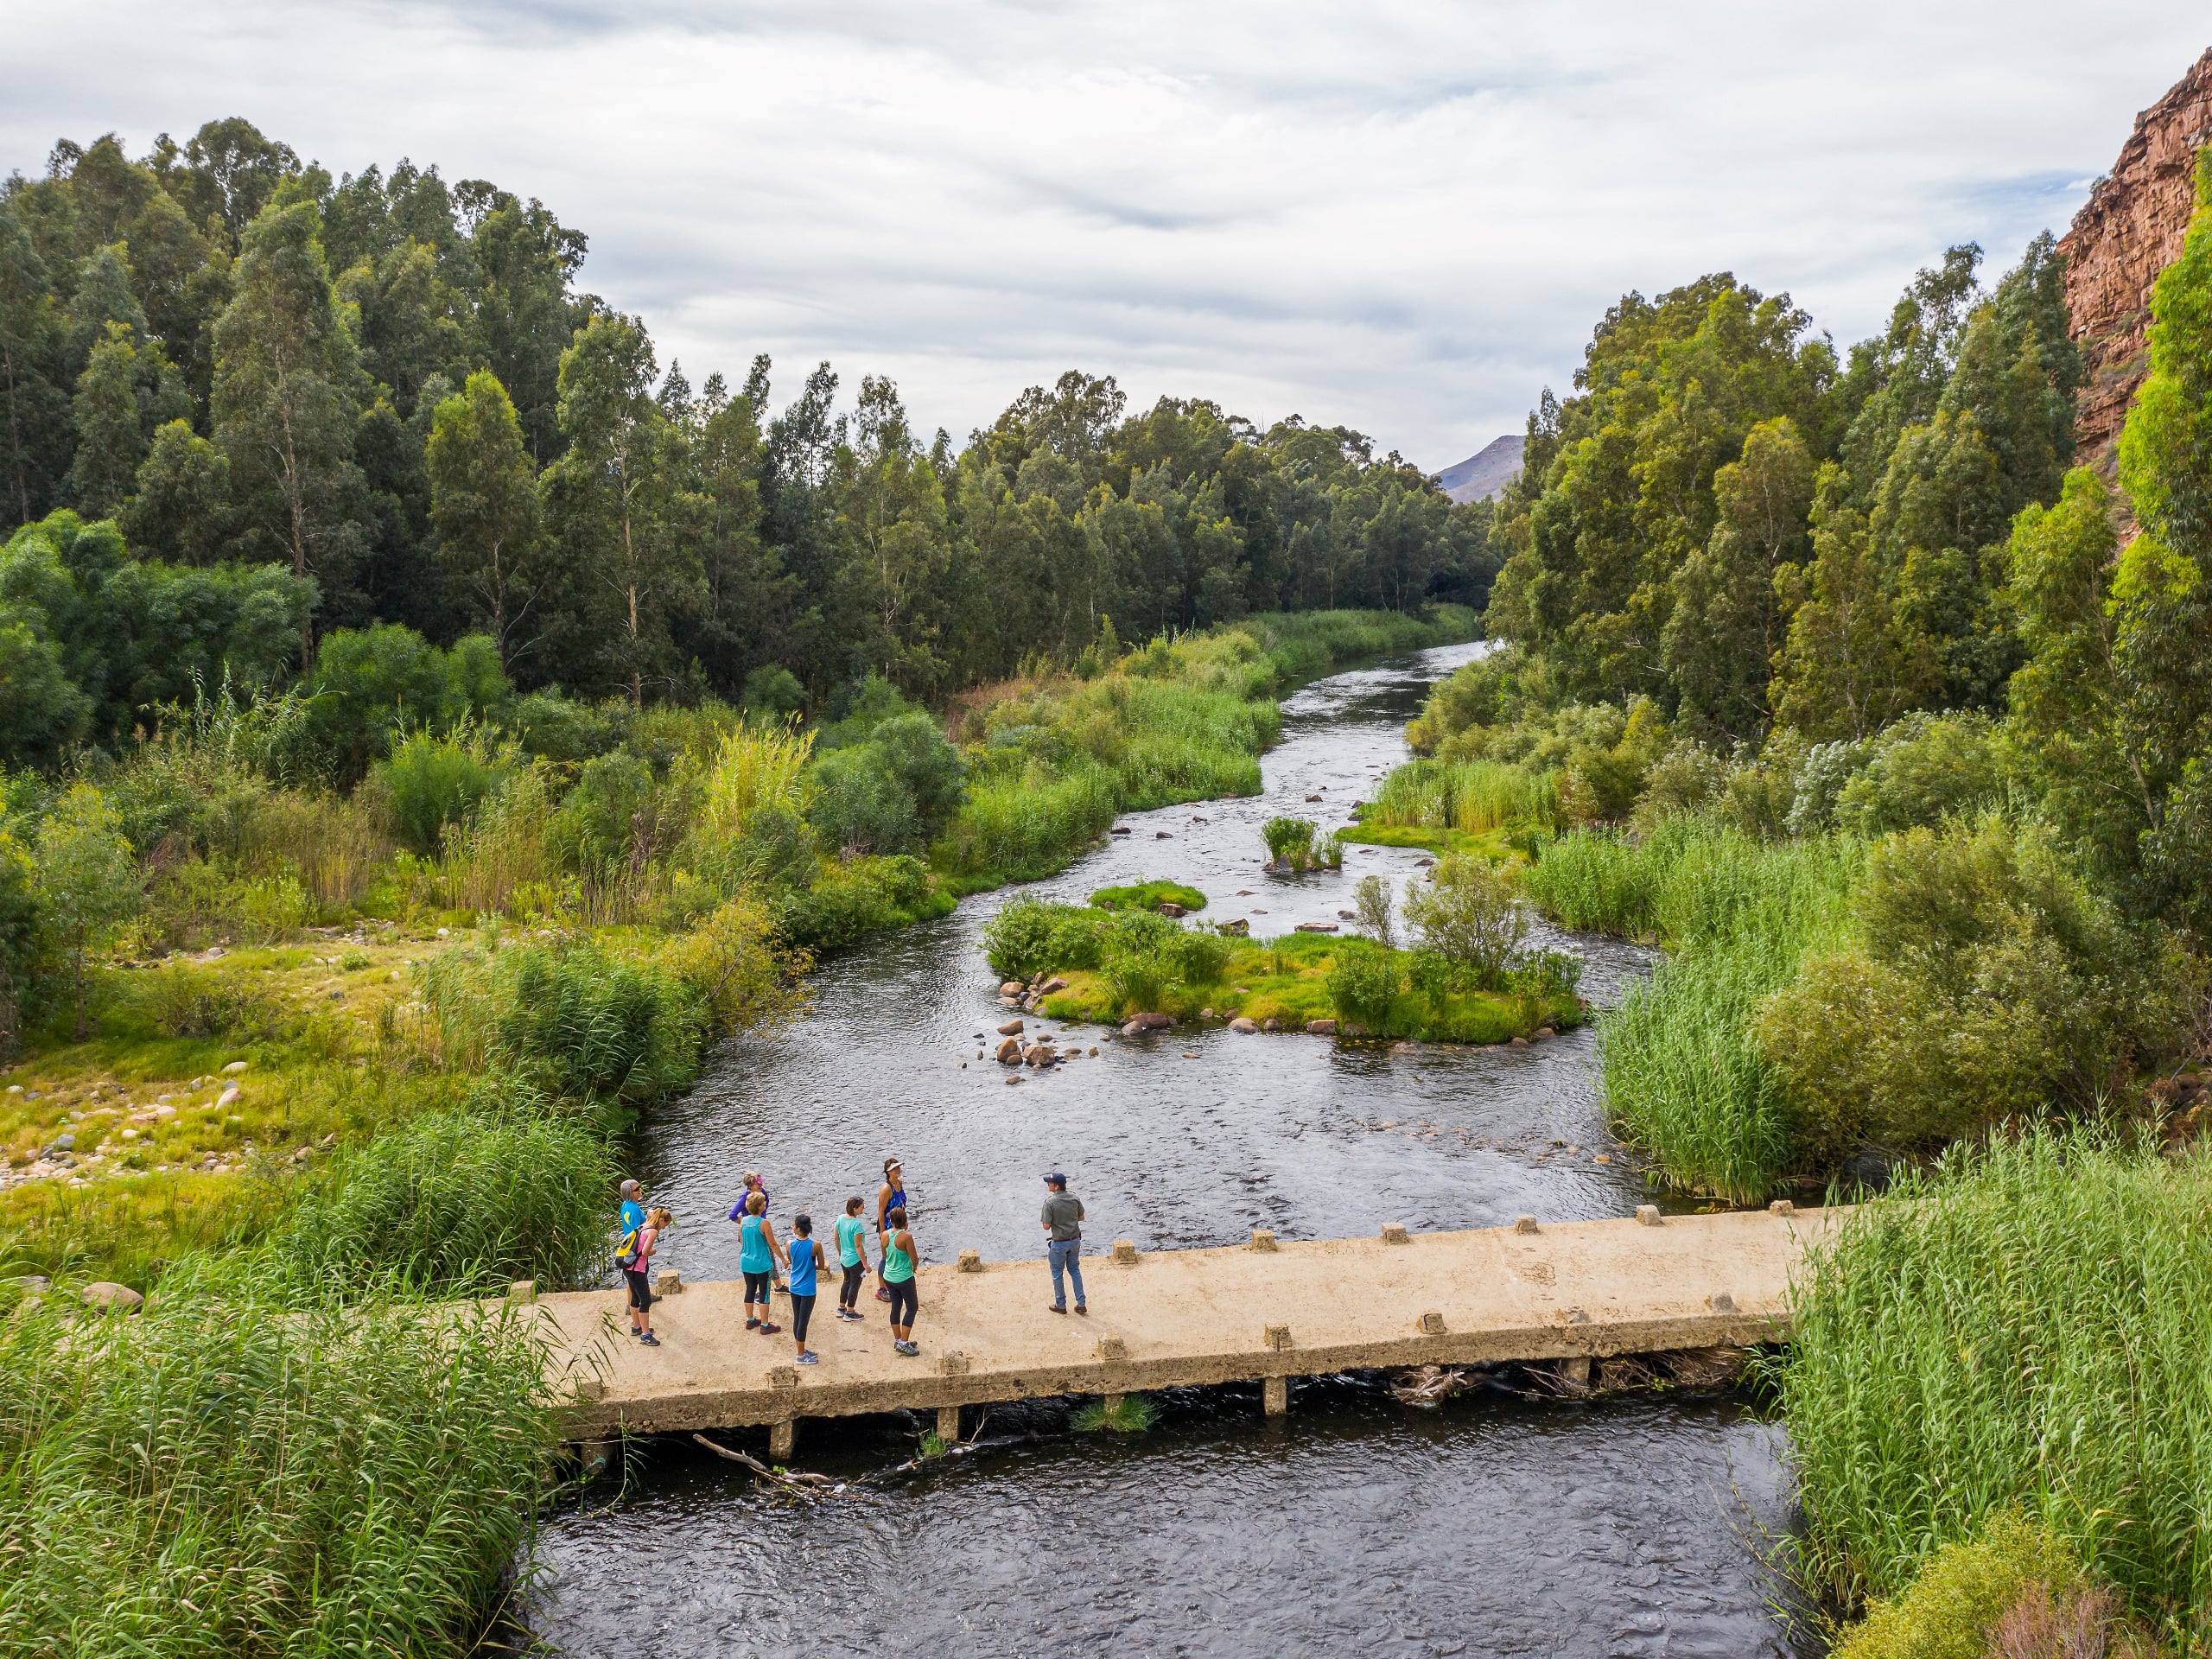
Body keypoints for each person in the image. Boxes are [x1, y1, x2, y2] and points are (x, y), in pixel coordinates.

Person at [734, 1190, 787, 1334]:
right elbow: (773, 1245)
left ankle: (750, 1320)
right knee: (764, 1293)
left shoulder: (743, 1221)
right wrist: (783, 1259)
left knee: (750, 1290)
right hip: (762, 1264)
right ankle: (765, 1325)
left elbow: (741, 1240)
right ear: (759, 1206)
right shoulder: (764, 1223)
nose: (765, 1203)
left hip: (746, 1261)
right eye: (763, 1202)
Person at [1040, 1172, 1087, 1315]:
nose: (1048, 1184)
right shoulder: (1074, 1198)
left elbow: (1046, 1226)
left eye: (1049, 1183)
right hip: (1075, 1240)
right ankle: (1081, 1303)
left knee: (1057, 1273)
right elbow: (1082, 1217)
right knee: (1074, 1270)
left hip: (1059, 1243)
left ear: (1056, 1186)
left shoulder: (1049, 1202)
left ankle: (1061, 1305)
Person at [624, 1206, 672, 1346]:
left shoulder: (644, 1225)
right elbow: (645, 1252)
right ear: (661, 1220)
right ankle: (645, 1335)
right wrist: (652, 1252)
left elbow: (651, 1213)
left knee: (635, 1298)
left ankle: (636, 1327)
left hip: (628, 1266)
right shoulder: (653, 1231)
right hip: (637, 1269)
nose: (663, 1228)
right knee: (645, 1301)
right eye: (665, 1225)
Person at [786, 1213, 826, 1364]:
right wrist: (812, 1266)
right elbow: (821, 1266)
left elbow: (792, 1262)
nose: (792, 1227)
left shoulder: (789, 1244)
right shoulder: (816, 1245)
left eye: (793, 1225)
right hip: (808, 1288)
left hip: (794, 1285)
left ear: (798, 1228)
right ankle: (800, 1355)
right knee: (804, 1321)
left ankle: (800, 1349)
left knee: (797, 1318)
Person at [882, 1205, 919, 1355]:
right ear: (905, 1222)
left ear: (891, 1221)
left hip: (888, 1276)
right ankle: (903, 1343)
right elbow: (914, 1259)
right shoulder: (906, 1237)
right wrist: (913, 1269)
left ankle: (899, 1340)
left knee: (896, 1307)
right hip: (904, 1277)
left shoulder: (884, 1235)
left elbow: (884, 1256)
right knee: (912, 1307)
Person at [874, 1158, 908, 1304]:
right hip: (888, 1226)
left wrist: (904, 1220)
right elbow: (881, 1211)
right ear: (888, 1172)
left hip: (899, 1224)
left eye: (898, 1167)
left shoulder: (899, 1183)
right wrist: (882, 1231)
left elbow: (901, 1204)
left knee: (898, 1254)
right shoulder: (886, 1189)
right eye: (894, 1169)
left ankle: (892, 1283)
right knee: (886, 1257)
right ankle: (881, 1289)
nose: (898, 1170)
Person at [834, 1196, 871, 1323]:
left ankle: (841, 1307)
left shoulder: (839, 1219)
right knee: (855, 1285)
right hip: (856, 1260)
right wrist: (865, 1264)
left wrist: (840, 1252)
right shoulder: (857, 1225)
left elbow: (836, 1238)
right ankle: (850, 1312)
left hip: (844, 1258)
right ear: (855, 1209)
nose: (864, 1208)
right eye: (862, 1206)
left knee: (846, 1282)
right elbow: (858, 1245)